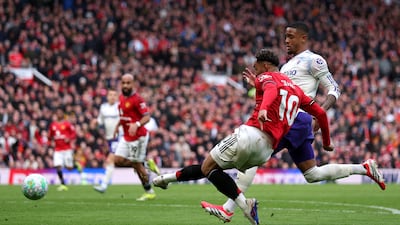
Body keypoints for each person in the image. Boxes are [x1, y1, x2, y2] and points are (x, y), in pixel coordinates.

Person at [200, 21, 386, 223]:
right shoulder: (286, 65)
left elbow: (334, 89)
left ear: (303, 38)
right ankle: (364, 168)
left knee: (253, 156)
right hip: (289, 120)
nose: (286, 41)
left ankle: (230, 209)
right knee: (312, 174)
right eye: (285, 37)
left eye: (291, 36)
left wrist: (319, 114)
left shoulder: (314, 60)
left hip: (295, 119)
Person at [153, 49, 333, 225]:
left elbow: (270, 88)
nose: (255, 71)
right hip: (266, 151)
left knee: (207, 167)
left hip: (251, 134)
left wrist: (263, 108)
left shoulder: (266, 77)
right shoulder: (295, 89)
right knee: (210, 168)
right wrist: (326, 142)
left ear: (265, 65)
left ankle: (244, 206)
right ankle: (166, 179)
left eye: (256, 68)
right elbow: (321, 115)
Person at [113, 73, 157, 201]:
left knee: (136, 164)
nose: (126, 85)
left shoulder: (138, 99)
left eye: (128, 83)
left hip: (139, 136)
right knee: (117, 161)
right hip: (127, 136)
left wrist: (137, 124)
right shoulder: (121, 98)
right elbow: (123, 116)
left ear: (133, 84)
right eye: (123, 83)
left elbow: (147, 117)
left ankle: (149, 191)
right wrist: (117, 126)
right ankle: (146, 164)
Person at [48, 108, 82, 191]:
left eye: (60, 113)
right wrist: (50, 143)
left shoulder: (67, 124)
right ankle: (63, 184)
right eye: (57, 113)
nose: (59, 114)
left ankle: (75, 165)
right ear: (56, 114)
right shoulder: (53, 125)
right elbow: (50, 136)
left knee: (69, 168)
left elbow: (74, 134)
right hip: (57, 149)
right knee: (58, 165)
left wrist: (69, 138)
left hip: (67, 149)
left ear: (63, 114)